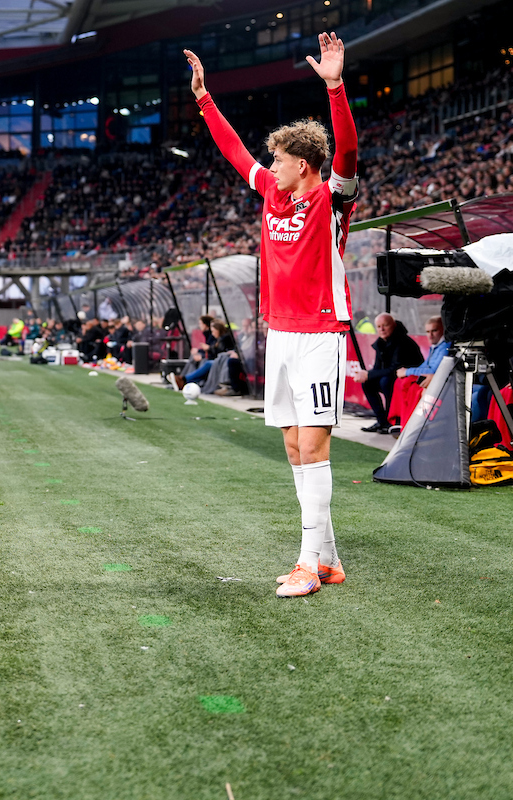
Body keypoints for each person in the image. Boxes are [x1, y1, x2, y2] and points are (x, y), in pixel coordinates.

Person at [186, 32, 358, 598]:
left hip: (319, 334)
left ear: (304, 165)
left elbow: (349, 151)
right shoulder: (270, 192)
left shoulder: (331, 197)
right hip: (280, 334)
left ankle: (309, 563)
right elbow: (235, 150)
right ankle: (327, 559)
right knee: (292, 447)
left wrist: (334, 86)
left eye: (280, 161)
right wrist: (205, 98)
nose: (271, 167)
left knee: (314, 447)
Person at [356, 313, 427, 433]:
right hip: (394, 377)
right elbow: (378, 368)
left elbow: (395, 369)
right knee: (368, 383)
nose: (381, 329)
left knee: (386, 382)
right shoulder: (380, 342)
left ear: (393, 325)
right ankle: (381, 421)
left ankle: (392, 422)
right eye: (378, 326)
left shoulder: (402, 341)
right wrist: (367, 375)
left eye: (385, 325)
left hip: (410, 379)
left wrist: (369, 374)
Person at [387, 316, 450, 432]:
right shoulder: (436, 347)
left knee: (413, 387)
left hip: (442, 383)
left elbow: (433, 371)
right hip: (433, 381)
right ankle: (401, 421)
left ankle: (413, 426)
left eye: (434, 331)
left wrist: (407, 371)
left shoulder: (445, 347)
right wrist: (407, 371)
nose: (430, 335)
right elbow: (425, 367)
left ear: (442, 330)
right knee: (400, 381)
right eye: (427, 332)